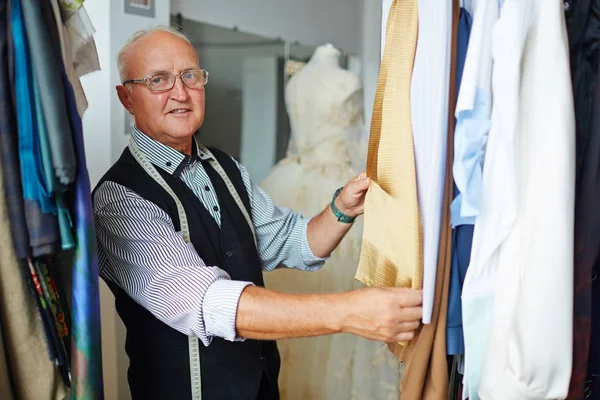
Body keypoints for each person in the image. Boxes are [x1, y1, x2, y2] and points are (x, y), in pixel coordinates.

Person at [93, 25, 423, 400]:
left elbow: (292, 242)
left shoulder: (224, 167)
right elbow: (210, 302)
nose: (180, 93)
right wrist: (348, 312)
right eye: (159, 81)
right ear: (127, 98)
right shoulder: (119, 198)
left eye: (190, 76)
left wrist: (341, 209)